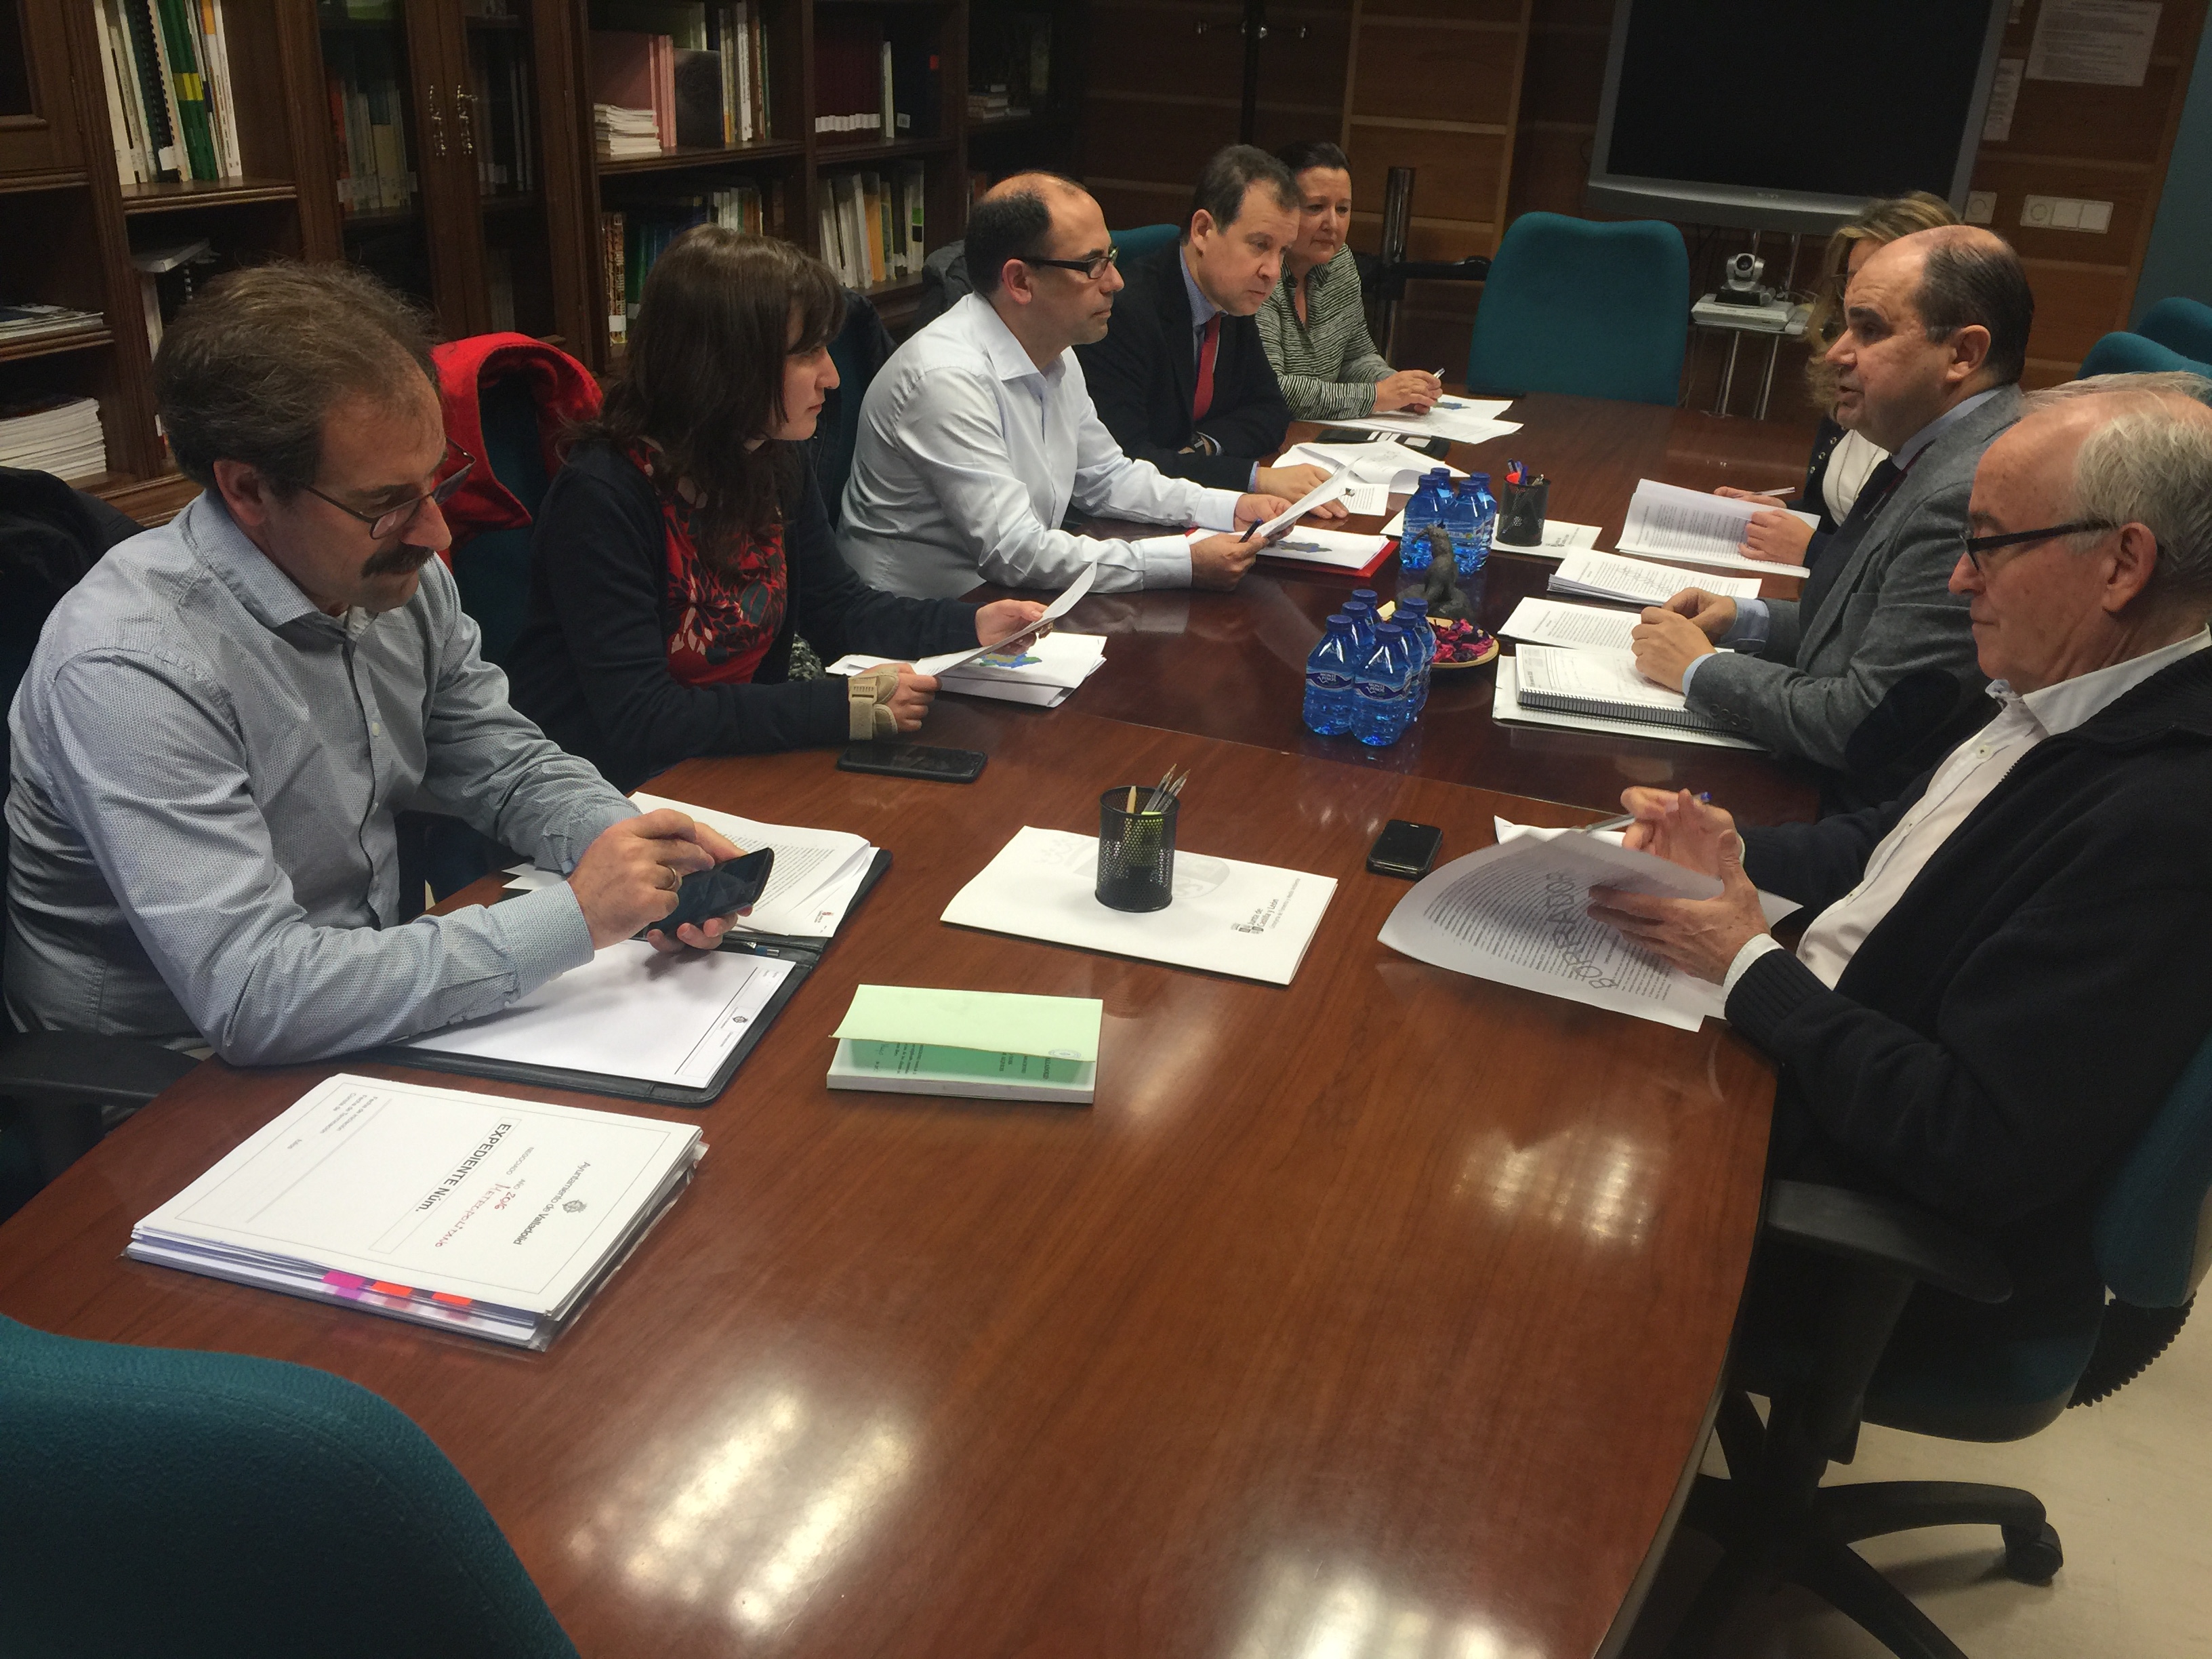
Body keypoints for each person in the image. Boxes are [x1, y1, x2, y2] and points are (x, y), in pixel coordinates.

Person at [4, 263, 753, 1067]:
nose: (436, 533)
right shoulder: (130, 667)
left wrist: (634, 852)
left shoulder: (395, 578)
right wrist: (575, 917)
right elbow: (255, 996)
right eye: (387, 503)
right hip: (177, 1076)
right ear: (249, 490)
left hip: (363, 1002)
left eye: (437, 481)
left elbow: (503, 763)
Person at [1589, 374, 2212, 1338]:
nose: (1959, 579)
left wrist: (1745, 965)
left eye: (1989, 543)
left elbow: (1973, 1143)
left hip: (1865, 1228)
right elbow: (1890, 848)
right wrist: (1733, 850)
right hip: (1820, 1064)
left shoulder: (2162, 817)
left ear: (2122, 565)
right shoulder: (2068, 690)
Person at [509, 230, 1043, 791]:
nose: (832, 376)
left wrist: (971, 625)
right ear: (725, 364)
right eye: (807, 353)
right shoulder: (602, 497)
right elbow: (643, 719)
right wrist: (840, 707)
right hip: (607, 790)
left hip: (728, 762)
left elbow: (837, 610)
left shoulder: (770, 455)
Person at [1631, 225, 2031, 813]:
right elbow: (1869, 625)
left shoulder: (1970, 490)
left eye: (1869, 330)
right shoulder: (1935, 447)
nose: (1836, 353)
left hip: (1865, 814)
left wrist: (1699, 670)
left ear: (1963, 354)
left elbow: (1860, 724)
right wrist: (1747, 620)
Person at [838, 173, 1310, 600]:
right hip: (916, 624)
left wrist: (1231, 507)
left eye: (1111, 258)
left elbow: (1107, 477)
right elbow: (1015, 552)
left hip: (1006, 602)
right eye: (1092, 265)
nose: (1116, 282)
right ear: (1020, 281)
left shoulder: (1055, 350)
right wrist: (1182, 562)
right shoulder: (947, 379)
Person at [1074, 146, 1336, 499]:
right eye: (1260, 245)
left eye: (1283, 251)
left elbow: (1271, 411)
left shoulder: (1231, 298)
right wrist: (1253, 479)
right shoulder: (1123, 313)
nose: (1273, 271)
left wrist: (1203, 447)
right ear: (1202, 230)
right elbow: (1126, 463)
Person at [1723, 193, 1959, 566]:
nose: (1857, 295)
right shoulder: (1852, 373)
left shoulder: (1952, 439)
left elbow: (1908, 568)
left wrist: (1811, 548)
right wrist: (1781, 515)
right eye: (1852, 280)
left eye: (1880, 280)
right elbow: (1835, 515)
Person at [1256, 140, 1443, 422]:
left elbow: (1355, 357)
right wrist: (1377, 396)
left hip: (1315, 432)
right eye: (1316, 207)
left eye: (1343, 209)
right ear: (1280, 208)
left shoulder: (1340, 261)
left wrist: (1402, 388)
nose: (1332, 223)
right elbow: (1272, 388)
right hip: (1267, 436)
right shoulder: (1260, 272)